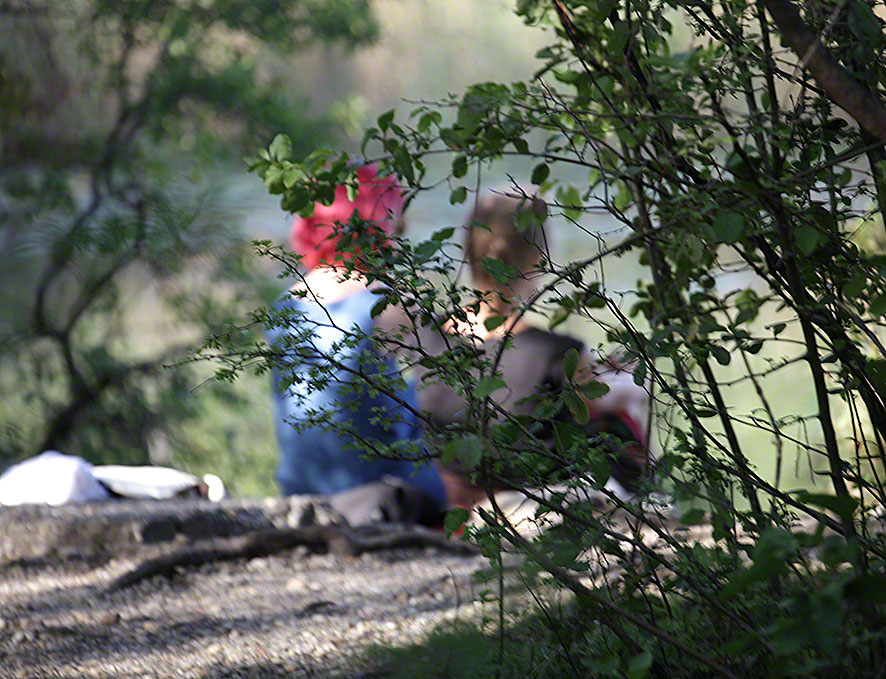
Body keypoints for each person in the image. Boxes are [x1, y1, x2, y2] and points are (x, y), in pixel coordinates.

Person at [414, 190, 651, 509]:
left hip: (451, 497)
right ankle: (646, 505)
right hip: (531, 499)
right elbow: (603, 400)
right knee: (632, 400)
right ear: (536, 260)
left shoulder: (427, 335)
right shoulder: (557, 351)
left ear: (468, 251)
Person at [266, 164, 447, 522]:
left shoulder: (284, 303)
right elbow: (447, 378)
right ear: (376, 223)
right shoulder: (386, 302)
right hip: (379, 491)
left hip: (300, 486)